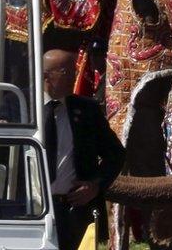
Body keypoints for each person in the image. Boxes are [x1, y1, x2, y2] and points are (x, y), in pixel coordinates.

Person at [42, 49, 125, 250]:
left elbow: (115, 154)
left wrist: (95, 185)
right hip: (35, 210)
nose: (74, 76)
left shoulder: (87, 110)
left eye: (74, 70)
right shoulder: (21, 105)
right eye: (66, 72)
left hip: (74, 209)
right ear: (46, 76)